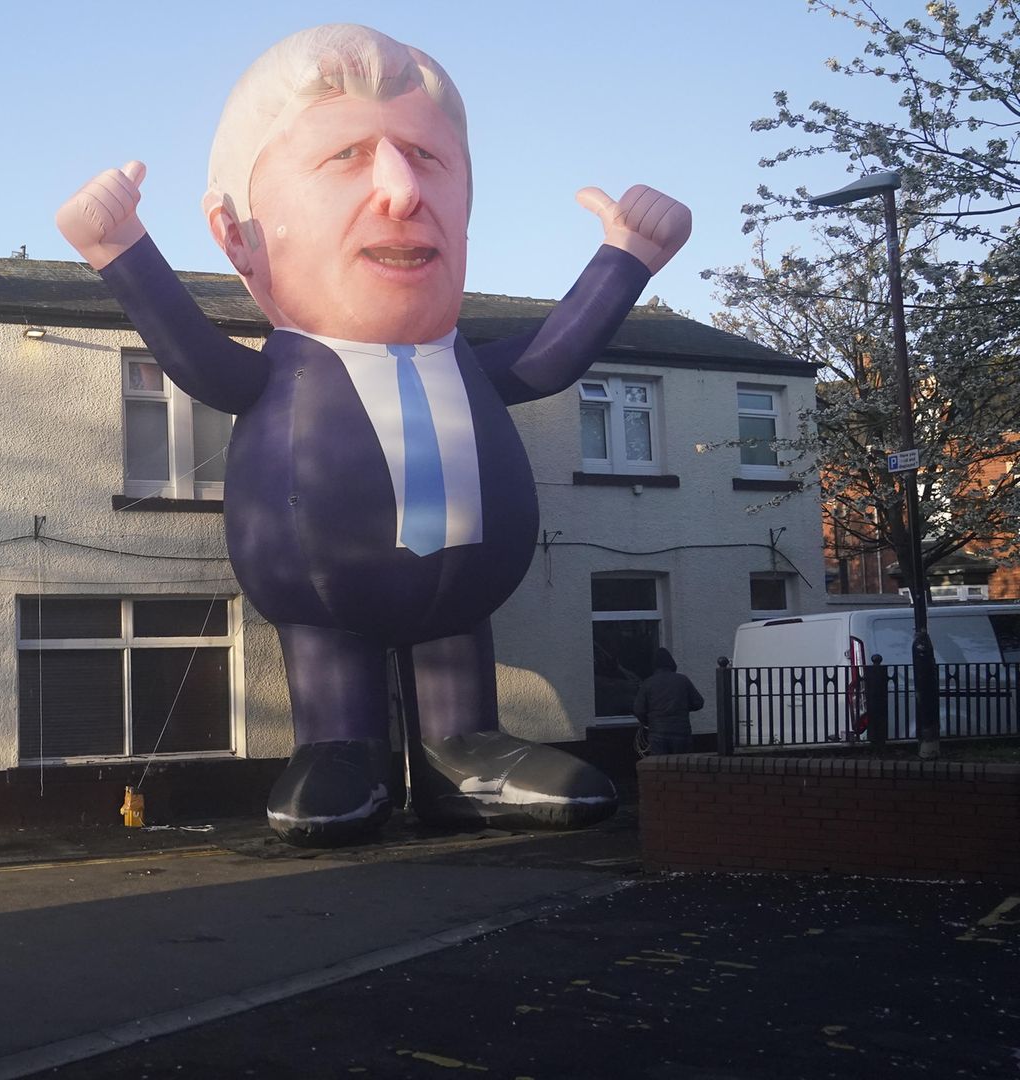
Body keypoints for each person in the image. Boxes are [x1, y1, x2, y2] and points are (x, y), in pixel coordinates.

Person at [56, 23, 691, 844]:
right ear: (237, 235)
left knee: (453, 650)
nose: (400, 191)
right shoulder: (284, 375)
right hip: (324, 591)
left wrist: (627, 258)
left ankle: (464, 751)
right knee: (332, 658)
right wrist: (120, 250)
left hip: (466, 587)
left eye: (428, 158)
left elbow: (548, 362)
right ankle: (339, 747)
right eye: (346, 156)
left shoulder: (467, 362)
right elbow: (201, 365)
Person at [633, 647, 703, 755]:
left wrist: (648, 722)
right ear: (671, 663)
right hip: (681, 731)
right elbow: (699, 703)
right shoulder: (683, 680)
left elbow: (638, 710)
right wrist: (683, 707)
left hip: (657, 733)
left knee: (660, 767)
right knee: (683, 766)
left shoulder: (648, 683)